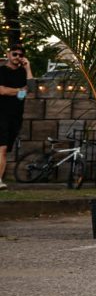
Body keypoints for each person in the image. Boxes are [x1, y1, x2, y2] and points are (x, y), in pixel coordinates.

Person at [0, 44, 34, 190]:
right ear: (8, 54)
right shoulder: (1, 71)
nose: (17, 57)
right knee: (2, 148)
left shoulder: (22, 72)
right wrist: (20, 90)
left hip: (15, 116)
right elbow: (2, 91)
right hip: (1, 114)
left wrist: (28, 68)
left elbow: (31, 89)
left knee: (5, 149)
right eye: (15, 54)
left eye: (21, 55)